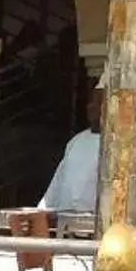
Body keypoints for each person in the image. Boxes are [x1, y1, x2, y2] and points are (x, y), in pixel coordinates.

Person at [38, 83, 105, 219]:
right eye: (91, 102)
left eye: (98, 103)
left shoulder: (114, 146)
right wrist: (41, 212)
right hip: (64, 224)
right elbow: (58, 181)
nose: (90, 107)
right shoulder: (76, 141)